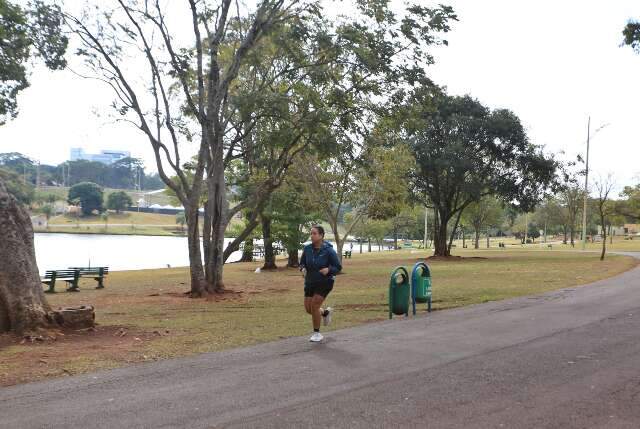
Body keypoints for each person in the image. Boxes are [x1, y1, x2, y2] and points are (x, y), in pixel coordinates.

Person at [299, 225, 342, 342]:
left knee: (314, 305)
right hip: (310, 282)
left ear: (321, 235)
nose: (312, 236)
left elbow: (338, 267)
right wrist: (302, 268)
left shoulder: (328, 250)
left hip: (325, 282)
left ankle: (317, 334)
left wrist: (329, 270)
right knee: (309, 309)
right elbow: (302, 263)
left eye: (314, 233)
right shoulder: (307, 249)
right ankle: (325, 313)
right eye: (311, 233)